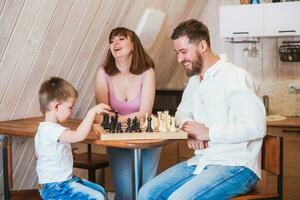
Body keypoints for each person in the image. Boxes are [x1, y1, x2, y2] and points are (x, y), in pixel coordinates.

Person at [138, 19, 266, 200]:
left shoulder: (235, 77)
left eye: (183, 52)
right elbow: (182, 112)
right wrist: (189, 127)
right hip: (202, 161)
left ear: (203, 46)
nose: (179, 59)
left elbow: (256, 127)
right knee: (146, 193)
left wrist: (207, 132)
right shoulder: (195, 80)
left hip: (237, 166)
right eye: (177, 53)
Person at [95, 27, 161, 200]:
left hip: (147, 137)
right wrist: (123, 121)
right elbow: (102, 114)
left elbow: (145, 112)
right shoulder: (103, 73)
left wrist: (117, 120)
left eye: (121, 39)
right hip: (117, 139)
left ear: (133, 45)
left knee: (146, 192)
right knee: (125, 193)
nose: (115, 43)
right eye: (111, 40)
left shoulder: (147, 72)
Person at [35, 77, 110, 200]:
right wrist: (91, 113)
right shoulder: (52, 130)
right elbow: (78, 135)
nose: (71, 111)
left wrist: (63, 153)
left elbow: (40, 156)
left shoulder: (43, 129)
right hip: (57, 188)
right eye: (70, 107)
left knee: (100, 190)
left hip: (63, 182)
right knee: (97, 197)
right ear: (57, 106)